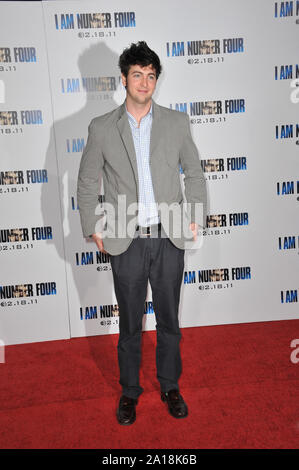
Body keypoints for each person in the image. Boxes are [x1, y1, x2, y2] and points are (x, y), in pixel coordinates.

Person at [77, 41, 207, 425]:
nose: (145, 82)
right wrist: (93, 226)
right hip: (126, 239)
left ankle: (170, 385)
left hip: (168, 237)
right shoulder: (102, 128)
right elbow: (86, 182)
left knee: (169, 319)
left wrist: (195, 215)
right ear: (124, 79)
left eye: (151, 76)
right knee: (130, 322)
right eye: (138, 74)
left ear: (155, 80)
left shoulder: (177, 122)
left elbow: (194, 173)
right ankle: (130, 392)